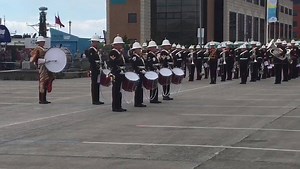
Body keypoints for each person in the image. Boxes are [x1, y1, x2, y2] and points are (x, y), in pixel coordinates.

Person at [30, 36, 54, 104]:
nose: (43, 43)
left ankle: (44, 98)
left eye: (43, 42)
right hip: (42, 67)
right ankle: (41, 99)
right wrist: (45, 61)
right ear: (39, 42)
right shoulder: (37, 49)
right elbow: (34, 60)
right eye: (42, 42)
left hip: (46, 67)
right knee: (42, 83)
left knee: (46, 82)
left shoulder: (43, 49)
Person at [109, 35, 127, 112]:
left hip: (120, 73)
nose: (121, 46)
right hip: (116, 74)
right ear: (116, 45)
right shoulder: (113, 52)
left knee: (119, 90)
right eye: (120, 44)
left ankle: (118, 105)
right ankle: (115, 106)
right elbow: (113, 63)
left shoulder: (119, 53)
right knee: (116, 90)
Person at [86, 35, 104, 105]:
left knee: (97, 84)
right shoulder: (91, 50)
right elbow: (91, 60)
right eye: (95, 42)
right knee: (94, 84)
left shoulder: (97, 51)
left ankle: (97, 99)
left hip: (98, 69)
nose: (97, 44)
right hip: (94, 69)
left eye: (97, 42)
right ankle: (95, 100)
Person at [131, 41, 147, 107]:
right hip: (138, 73)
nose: (140, 50)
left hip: (141, 73)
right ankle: (137, 102)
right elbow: (134, 66)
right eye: (138, 49)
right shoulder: (134, 57)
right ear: (135, 50)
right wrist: (140, 71)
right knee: (138, 88)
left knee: (140, 88)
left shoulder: (139, 56)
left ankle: (140, 101)